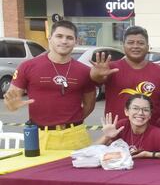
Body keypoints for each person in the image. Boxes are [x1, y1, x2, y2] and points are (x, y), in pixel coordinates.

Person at [3, 20, 96, 150]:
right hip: (41, 137)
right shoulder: (27, 67)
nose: (64, 41)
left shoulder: (85, 71)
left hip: (76, 136)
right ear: (50, 38)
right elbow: (11, 100)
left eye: (69, 38)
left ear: (75, 41)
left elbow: (90, 104)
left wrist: (71, 122)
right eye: (59, 36)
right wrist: (12, 105)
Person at [90, 25, 160, 124]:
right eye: (130, 43)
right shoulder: (110, 69)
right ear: (123, 46)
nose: (135, 46)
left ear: (147, 47)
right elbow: (96, 79)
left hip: (153, 130)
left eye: (140, 43)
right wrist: (96, 74)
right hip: (116, 130)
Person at [98, 94, 160, 159]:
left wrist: (151, 154)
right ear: (126, 111)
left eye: (145, 110)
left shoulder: (155, 133)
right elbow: (92, 150)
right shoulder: (122, 126)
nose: (140, 113)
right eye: (135, 108)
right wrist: (106, 137)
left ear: (150, 115)